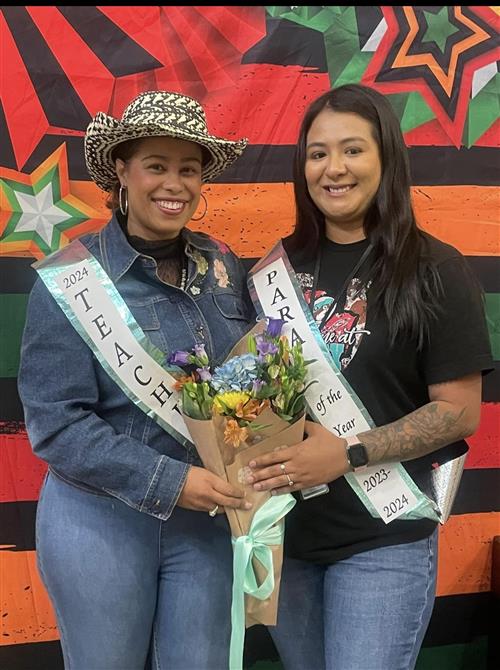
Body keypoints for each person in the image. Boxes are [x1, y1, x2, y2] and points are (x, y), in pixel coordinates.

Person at [247, 84, 493, 670]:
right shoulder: (270, 270)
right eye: (317, 152)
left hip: (382, 539)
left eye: (352, 150)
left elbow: (459, 411)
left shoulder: (435, 269)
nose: (333, 168)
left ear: (386, 159)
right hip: (289, 541)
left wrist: (349, 453)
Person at [18, 90, 255, 670]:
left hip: (206, 522)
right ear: (122, 171)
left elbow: (249, 383)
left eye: (188, 169)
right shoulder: (72, 279)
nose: (173, 184)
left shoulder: (224, 266)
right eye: (156, 165)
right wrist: (173, 482)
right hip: (100, 519)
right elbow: (56, 424)